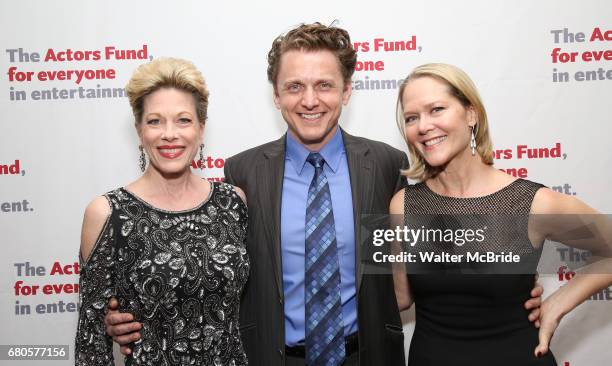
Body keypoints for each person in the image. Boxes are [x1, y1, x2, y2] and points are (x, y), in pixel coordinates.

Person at [103, 25, 544, 365]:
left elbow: (412, 275)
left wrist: (506, 294)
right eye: (294, 86)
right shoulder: (244, 173)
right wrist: (130, 315)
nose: (309, 100)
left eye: (325, 85)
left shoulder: (387, 167)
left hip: (367, 356)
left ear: (347, 91)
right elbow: (210, 270)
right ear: (276, 95)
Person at [391, 63, 612, 366]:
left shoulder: (531, 203)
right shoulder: (403, 205)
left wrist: (560, 300)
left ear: (472, 114)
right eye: (411, 118)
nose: (423, 126)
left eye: (437, 109)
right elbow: (399, 297)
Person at [75, 57, 249, 366]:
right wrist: (110, 323)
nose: (170, 134)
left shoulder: (232, 202)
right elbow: (91, 345)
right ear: (139, 131)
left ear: (201, 128)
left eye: (183, 120)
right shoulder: (108, 213)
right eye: (155, 121)